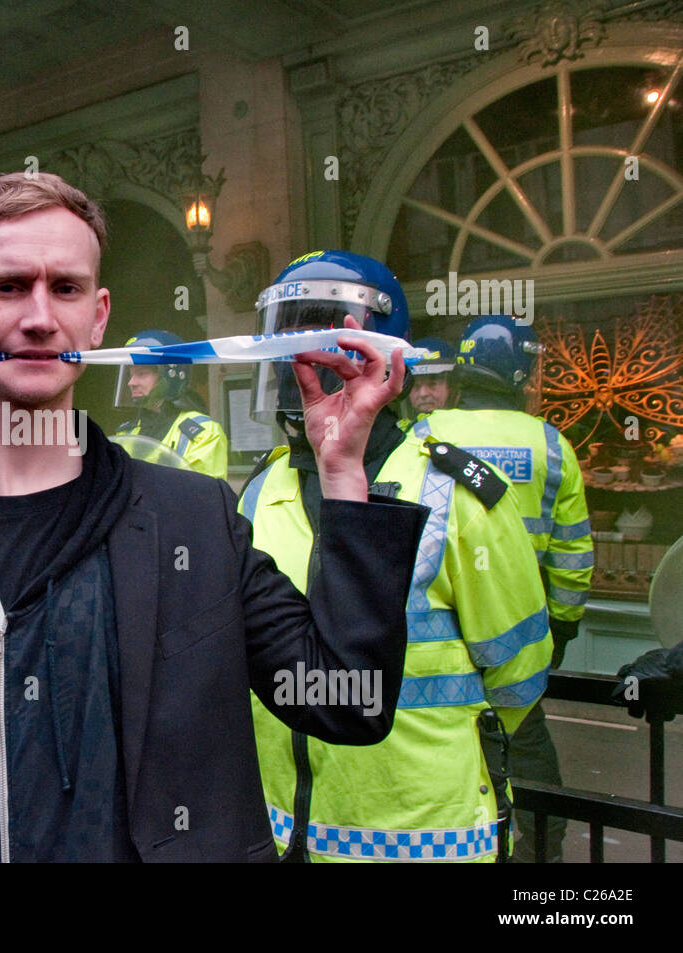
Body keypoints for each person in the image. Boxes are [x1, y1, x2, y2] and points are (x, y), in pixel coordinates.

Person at [0, 171, 428, 862]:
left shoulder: (191, 522)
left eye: (64, 287)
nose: (38, 316)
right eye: (7, 286)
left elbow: (349, 702)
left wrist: (341, 475)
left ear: (97, 315)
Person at [238, 251, 552, 862]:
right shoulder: (261, 488)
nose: (305, 366)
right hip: (288, 834)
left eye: (328, 340)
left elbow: (519, 670)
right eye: (292, 342)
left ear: (387, 355)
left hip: (425, 838)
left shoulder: (456, 490)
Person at [421, 314, 593, 862]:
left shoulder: (424, 435)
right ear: (520, 374)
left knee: (449, 759)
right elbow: (572, 555)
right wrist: (560, 629)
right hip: (518, 637)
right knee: (529, 756)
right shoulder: (551, 445)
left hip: (438, 638)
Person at [113, 330, 229, 480]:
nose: (131, 383)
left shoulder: (203, 433)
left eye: (141, 374)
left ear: (170, 375)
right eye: (130, 375)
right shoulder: (126, 433)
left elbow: (202, 496)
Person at [404, 336, 457, 417]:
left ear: (451, 387)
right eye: (415, 386)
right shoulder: (400, 428)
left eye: (432, 384)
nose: (423, 394)